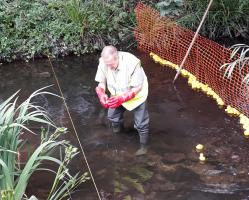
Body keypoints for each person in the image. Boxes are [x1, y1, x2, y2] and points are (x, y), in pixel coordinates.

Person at [95, 45, 149, 155]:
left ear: (117, 57)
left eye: (111, 64)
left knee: (141, 124)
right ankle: (118, 135)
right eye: (107, 65)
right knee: (112, 116)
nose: (109, 68)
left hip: (137, 96)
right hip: (116, 93)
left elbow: (137, 87)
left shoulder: (132, 63)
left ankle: (144, 147)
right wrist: (101, 93)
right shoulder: (103, 62)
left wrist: (123, 98)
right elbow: (101, 82)